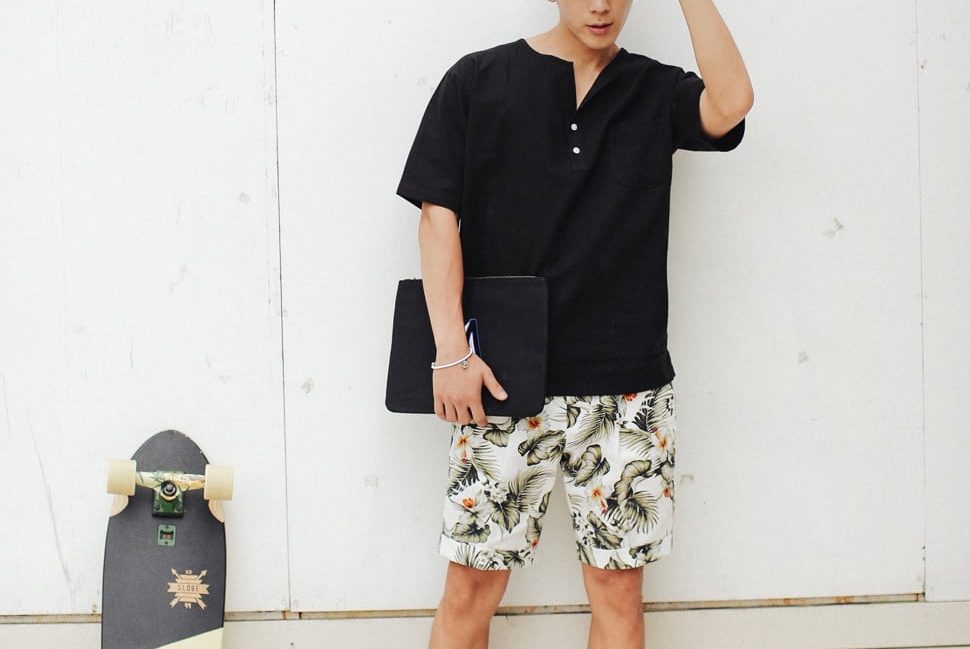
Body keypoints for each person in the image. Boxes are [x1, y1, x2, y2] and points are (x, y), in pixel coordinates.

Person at [395, 0, 753, 647]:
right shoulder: (479, 80)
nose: (601, 5)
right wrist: (451, 351)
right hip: (501, 381)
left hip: (627, 388)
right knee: (470, 587)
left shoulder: (653, 89)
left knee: (618, 593)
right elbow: (436, 215)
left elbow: (730, 103)